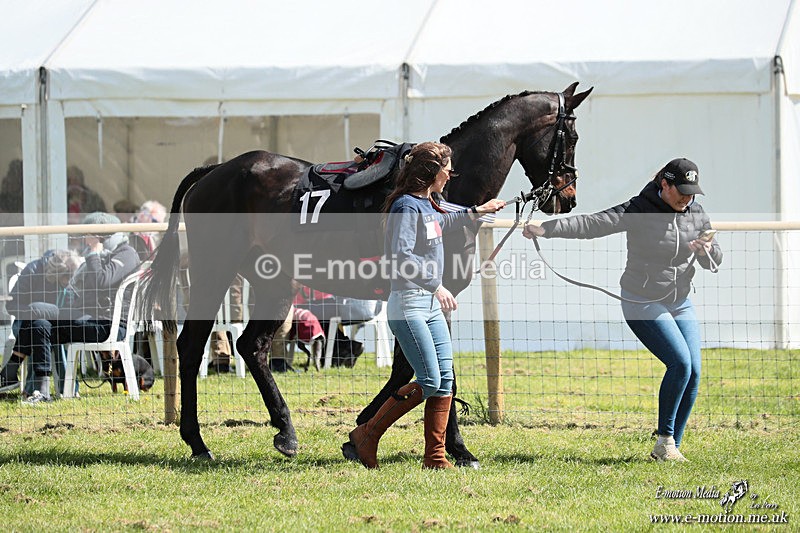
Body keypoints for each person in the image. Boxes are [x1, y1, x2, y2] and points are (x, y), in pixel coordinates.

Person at [522, 158, 723, 462]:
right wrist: (546, 229)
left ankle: (669, 448)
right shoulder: (637, 209)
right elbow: (592, 224)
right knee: (680, 364)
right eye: (681, 191)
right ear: (664, 185)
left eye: (692, 192)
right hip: (642, 302)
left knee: (694, 373)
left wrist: (707, 251)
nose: (686, 198)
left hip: (680, 301)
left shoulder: (695, 211)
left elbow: (716, 258)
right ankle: (665, 441)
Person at [344, 141, 506, 469]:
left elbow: (444, 221)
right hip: (409, 305)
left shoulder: (428, 205)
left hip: (429, 305)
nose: (450, 175)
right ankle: (368, 434)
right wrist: (437, 286)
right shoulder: (406, 207)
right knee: (430, 380)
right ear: (431, 172)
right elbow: (400, 256)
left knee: (444, 378)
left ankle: (434, 457)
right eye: (446, 169)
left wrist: (478, 211)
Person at [1, 212, 140, 403]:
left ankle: (10, 369)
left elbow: (101, 280)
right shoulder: (102, 255)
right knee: (39, 323)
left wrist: (93, 252)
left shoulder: (126, 253)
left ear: (101, 235)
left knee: (35, 310)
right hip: (85, 319)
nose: (84, 240)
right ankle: (40, 392)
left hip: (105, 324)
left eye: (88, 235)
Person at [0, 250, 84, 395]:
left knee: (51, 330)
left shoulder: (70, 281)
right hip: (25, 322)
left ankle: (59, 388)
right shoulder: (32, 270)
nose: (70, 283)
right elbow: (12, 306)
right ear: (59, 274)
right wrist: (36, 311)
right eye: (68, 278)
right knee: (39, 328)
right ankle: (48, 389)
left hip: (55, 324)